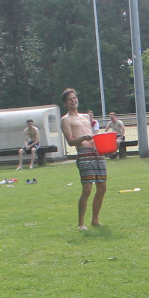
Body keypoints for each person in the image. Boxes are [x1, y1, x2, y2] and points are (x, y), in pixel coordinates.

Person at [60, 89, 106, 230]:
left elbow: (93, 134)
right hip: (83, 152)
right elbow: (70, 141)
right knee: (87, 189)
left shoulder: (86, 117)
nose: (73, 100)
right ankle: (81, 223)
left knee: (102, 187)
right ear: (65, 103)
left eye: (74, 98)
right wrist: (83, 138)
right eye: (70, 99)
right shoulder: (65, 120)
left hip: (97, 152)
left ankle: (95, 220)